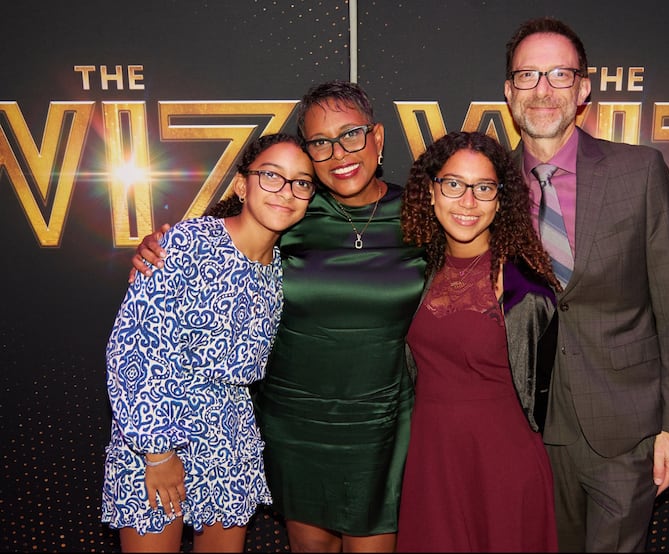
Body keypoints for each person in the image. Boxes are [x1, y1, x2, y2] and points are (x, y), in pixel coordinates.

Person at [129, 80, 427, 552]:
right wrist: (156, 250)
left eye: (351, 134)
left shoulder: (420, 212)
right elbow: (223, 247)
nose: (339, 153)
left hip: (383, 423)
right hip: (295, 422)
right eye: (320, 144)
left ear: (378, 137)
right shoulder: (292, 209)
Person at [503, 17, 669, 552]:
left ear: (584, 89)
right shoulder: (486, 186)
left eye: (559, 75)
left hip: (624, 426)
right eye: (527, 76)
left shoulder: (639, 171)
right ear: (508, 91)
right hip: (528, 428)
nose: (542, 90)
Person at [103, 133, 316, 552]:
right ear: (242, 185)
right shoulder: (186, 244)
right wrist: (157, 453)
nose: (286, 191)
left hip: (230, 436)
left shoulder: (280, 268)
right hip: (157, 432)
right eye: (272, 176)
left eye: (301, 182)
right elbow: (132, 350)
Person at [397, 131, 560, 552]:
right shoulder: (416, 268)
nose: (467, 201)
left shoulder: (522, 282)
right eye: (453, 184)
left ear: (500, 199)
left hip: (502, 461)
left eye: (483, 188)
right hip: (431, 458)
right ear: (430, 192)